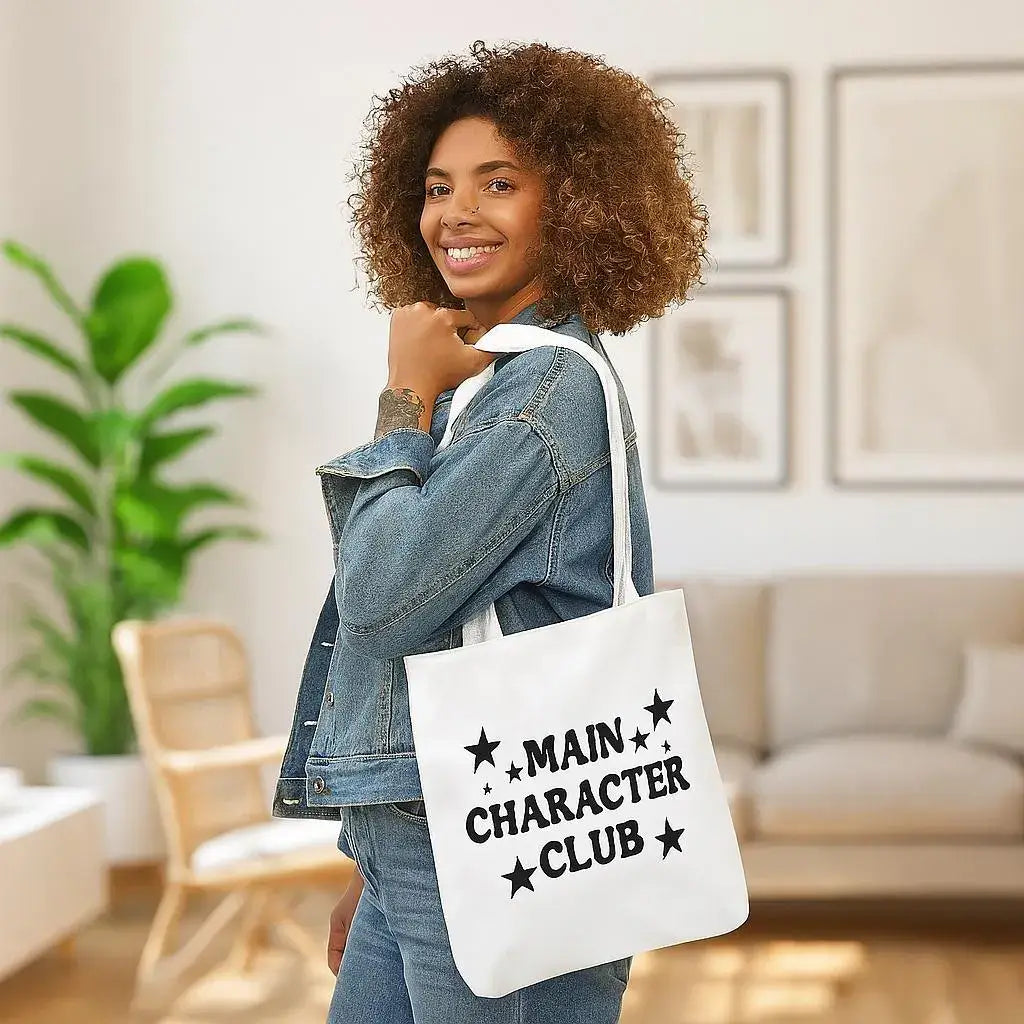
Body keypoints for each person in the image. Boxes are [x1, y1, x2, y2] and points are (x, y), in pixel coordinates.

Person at [272, 39, 707, 1024]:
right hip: (423, 833)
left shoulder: (543, 390)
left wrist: (403, 398)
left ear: (579, 204)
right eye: (436, 187)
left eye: (497, 183)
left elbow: (383, 599)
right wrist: (371, 855)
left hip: (486, 835)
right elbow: (428, 638)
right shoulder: (500, 381)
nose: (454, 214)